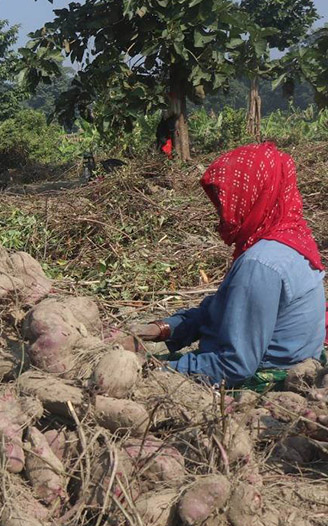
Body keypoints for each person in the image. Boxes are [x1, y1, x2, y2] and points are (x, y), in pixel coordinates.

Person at [125, 143, 325, 388]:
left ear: (254, 194)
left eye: (227, 200)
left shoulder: (260, 265)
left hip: (260, 382)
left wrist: (156, 369)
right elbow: (222, 310)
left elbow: (234, 366)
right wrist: (159, 329)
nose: (221, 211)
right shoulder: (292, 239)